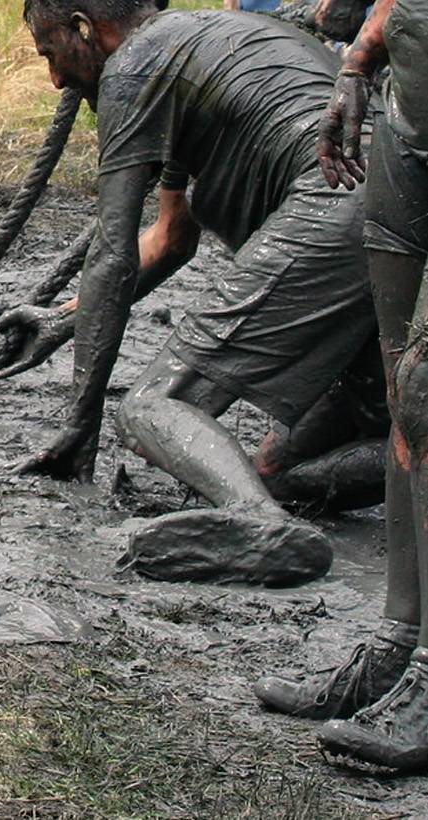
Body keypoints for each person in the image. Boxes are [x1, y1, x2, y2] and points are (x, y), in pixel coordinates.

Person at [6, 0, 378, 578]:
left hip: (333, 203)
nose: (56, 79)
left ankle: (259, 524)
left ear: (83, 29)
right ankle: (267, 501)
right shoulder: (201, 46)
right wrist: (66, 317)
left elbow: (112, 253)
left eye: (51, 54)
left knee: (154, 406)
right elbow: (172, 238)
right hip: (395, 209)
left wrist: (82, 423)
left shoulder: (133, 67)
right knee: (285, 466)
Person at [253, 0, 428, 771]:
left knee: (425, 389)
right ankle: (398, 645)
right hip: (409, 111)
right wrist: (360, 56)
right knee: (403, 397)